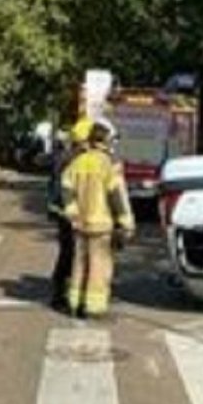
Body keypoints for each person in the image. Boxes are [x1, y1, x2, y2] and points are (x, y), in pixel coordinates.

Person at [61, 119, 136, 320]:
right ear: (106, 140)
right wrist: (126, 222)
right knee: (99, 266)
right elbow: (116, 195)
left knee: (79, 264)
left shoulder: (77, 161)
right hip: (101, 225)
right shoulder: (108, 163)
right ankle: (93, 307)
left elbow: (66, 189)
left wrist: (73, 214)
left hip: (79, 224)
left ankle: (74, 302)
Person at [46, 119, 90, 312]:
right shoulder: (70, 160)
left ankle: (68, 293)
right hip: (68, 214)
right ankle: (62, 295)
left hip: (71, 213)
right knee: (72, 253)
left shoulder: (73, 157)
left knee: (72, 253)